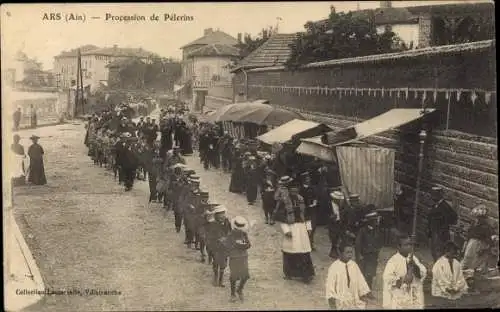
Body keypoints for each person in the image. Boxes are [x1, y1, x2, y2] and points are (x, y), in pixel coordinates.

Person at [276, 181, 315, 284]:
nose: (294, 191)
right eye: (292, 189)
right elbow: (280, 216)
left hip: (301, 228)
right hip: (291, 228)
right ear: (289, 190)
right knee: (291, 250)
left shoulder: (301, 199)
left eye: (296, 189)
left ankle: (306, 274)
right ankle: (290, 273)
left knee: (303, 250)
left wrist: (309, 227)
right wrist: (286, 230)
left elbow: (307, 214)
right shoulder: (284, 201)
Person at [382, 235, 427, 309]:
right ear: (399, 247)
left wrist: (415, 266)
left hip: (413, 294)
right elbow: (387, 279)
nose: (409, 247)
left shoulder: (413, 258)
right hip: (399, 296)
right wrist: (402, 279)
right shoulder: (393, 261)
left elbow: (423, 273)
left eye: (410, 244)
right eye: (406, 245)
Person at [325, 241, 373, 310]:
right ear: (340, 253)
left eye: (351, 252)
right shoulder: (334, 268)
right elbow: (330, 288)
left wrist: (364, 294)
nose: (350, 255)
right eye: (347, 252)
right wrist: (333, 305)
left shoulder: (354, 265)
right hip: (340, 303)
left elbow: (361, 282)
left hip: (354, 301)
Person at [461, 204, 495, 292]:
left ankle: (473, 287)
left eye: (480, 217)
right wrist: (465, 244)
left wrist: (484, 249)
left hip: (480, 246)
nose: (478, 219)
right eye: (477, 217)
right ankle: (465, 285)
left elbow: (490, 240)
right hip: (471, 245)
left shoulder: (486, 227)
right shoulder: (474, 224)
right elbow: (469, 234)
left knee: (474, 266)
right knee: (466, 263)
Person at [431, 241, 468, 308]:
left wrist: (457, 287)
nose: (454, 254)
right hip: (442, 292)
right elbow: (440, 279)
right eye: (452, 251)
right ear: (446, 251)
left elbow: (460, 278)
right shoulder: (439, 263)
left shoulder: (457, 263)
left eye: (454, 252)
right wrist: (447, 289)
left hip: (455, 291)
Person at [225, 216, 251, 303]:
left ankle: (239, 289)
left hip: (243, 257)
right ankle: (232, 294)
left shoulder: (244, 234)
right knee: (234, 276)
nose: (239, 230)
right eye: (237, 228)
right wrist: (239, 245)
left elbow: (248, 245)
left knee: (245, 276)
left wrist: (240, 245)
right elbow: (228, 246)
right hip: (234, 258)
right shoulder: (230, 235)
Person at [428, 186, 458, 261]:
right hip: (434, 233)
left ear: (439, 195)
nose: (432, 197)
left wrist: (443, 229)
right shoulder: (434, 205)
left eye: (434, 195)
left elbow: (453, 219)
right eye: (432, 195)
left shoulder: (445, 207)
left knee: (440, 254)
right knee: (434, 252)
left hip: (441, 235)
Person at [355, 211, 382, 289]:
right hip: (364, 256)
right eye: (375, 220)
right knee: (363, 274)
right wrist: (359, 255)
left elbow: (379, 242)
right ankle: (361, 291)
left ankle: (369, 290)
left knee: (370, 274)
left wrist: (377, 251)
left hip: (373, 256)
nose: (377, 222)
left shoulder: (377, 230)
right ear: (370, 221)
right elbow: (358, 244)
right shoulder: (362, 231)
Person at [211, 205, 232, 287]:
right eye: (220, 214)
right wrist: (218, 238)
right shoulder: (213, 223)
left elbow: (230, 232)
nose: (222, 215)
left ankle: (221, 280)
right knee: (216, 262)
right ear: (216, 215)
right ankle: (215, 277)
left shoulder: (227, 222)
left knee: (223, 263)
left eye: (223, 213)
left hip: (225, 246)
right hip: (215, 245)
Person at [299, 172, 318, 251]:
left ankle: (311, 242)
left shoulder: (312, 188)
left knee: (313, 226)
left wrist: (315, 202)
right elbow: (300, 201)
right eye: (307, 179)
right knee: (306, 227)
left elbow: (316, 196)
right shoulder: (301, 190)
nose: (309, 180)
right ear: (304, 180)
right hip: (305, 210)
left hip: (312, 209)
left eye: (309, 178)